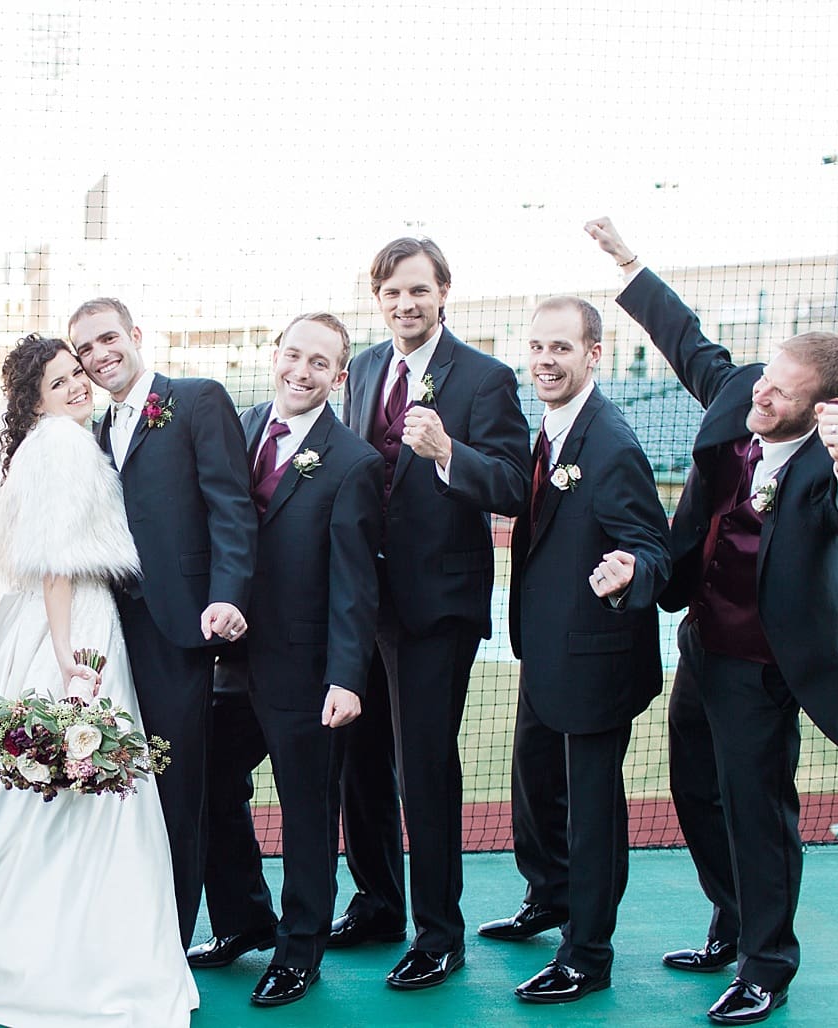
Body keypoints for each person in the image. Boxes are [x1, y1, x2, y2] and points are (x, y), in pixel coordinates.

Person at [586, 217, 838, 1026]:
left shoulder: (828, 464)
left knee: (758, 812)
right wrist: (627, 260)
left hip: (766, 667)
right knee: (694, 794)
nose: (759, 392)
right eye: (763, 378)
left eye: (779, 391)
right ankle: (727, 919)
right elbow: (684, 337)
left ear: (820, 407)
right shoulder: (738, 390)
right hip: (702, 644)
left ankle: (766, 965)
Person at [0, 333, 198, 1027]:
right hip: (73, 626)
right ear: (36, 400)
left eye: (76, 372)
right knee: (76, 791)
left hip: (57, 622)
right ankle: (61, 955)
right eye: (58, 382)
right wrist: (70, 661)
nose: (77, 385)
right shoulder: (62, 445)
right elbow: (56, 563)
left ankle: (25, 939)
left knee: (52, 792)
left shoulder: (45, 443)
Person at [333, 237, 530, 989]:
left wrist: (449, 452)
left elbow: (513, 485)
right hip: (361, 605)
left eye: (417, 290)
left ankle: (438, 934)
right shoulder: (364, 373)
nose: (404, 304)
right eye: (390, 293)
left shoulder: (484, 378)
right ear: (376, 298)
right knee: (359, 762)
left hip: (435, 608)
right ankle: (378, 903)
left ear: (443, 290)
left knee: (424, 769)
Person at [476, 295, 671, 1004]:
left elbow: (651, 546)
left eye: (560, 348)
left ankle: (586, 954)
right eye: (535, 347)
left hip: (595, 657)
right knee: (532, 781)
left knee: (591, 813)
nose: (543, 361)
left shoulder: (610, 441)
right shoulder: (551, 430)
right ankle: (548, 898)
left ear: (594, 354)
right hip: (544, 650)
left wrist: (630, 575)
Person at [188, 313, 383, 1007]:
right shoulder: (229, 429)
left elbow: (355, 586)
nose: (300, 372)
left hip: (304, 671)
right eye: (291, 355)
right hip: (224, 660)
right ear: (274, 355)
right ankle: (241, 921)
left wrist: (345, 678)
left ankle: (300, 952)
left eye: (318, 363)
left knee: (305, 812)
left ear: (339, 376)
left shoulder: (355, 463)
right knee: (205, 780)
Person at [70, 297, 258, 947]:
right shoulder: (92, 432)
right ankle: (226, 918)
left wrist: (227, 596)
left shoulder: (197, 399)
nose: (99, 356)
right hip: (114, 627)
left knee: (177, 783)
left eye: (107, 339)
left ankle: (168, 944)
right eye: (86, 349)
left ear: (135, 335)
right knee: (132, 778)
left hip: (184, 627)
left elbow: (230, 506)